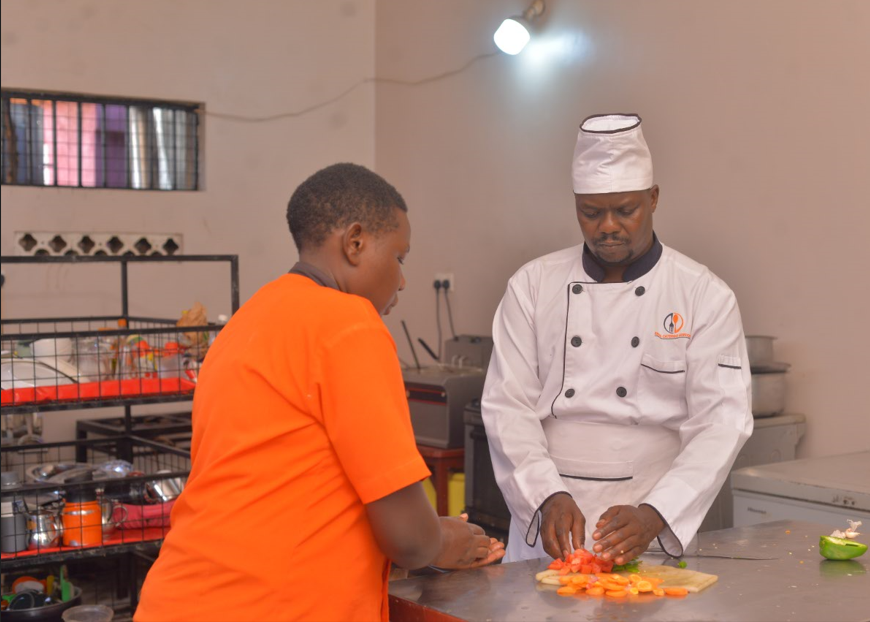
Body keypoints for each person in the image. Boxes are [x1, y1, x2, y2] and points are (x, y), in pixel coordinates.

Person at [136, 163, 503, 622]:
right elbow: (410, 538)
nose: (403, 279)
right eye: (400, 257)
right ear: (355, 242)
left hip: (182, 597)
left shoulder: (248, 320)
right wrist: (447, 540)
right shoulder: (348, 323)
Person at [482, 114, 753, 565]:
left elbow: (722, 423)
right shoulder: (532, 285)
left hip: (645, 526)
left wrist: (656, 513)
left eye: (625, 210)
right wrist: (545, 494)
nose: (607, 226)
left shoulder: (703, 294)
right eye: (591, 212)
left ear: (653, 198)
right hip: (546, 525)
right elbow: (506, 406)